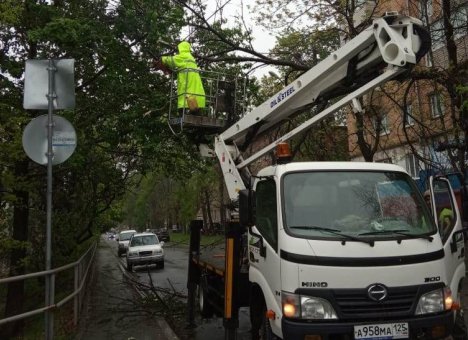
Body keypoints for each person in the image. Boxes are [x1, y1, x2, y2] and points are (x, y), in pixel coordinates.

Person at [155, 41, 206, 115]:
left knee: (185, 100)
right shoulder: (191, 57)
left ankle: (184, 114)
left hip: (187, 83)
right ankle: (194, 113)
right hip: (195, 84)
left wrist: (162, 59)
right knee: (194, 102)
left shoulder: (184, 56)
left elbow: (172, 60)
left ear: (181, 48)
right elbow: (179, 65)